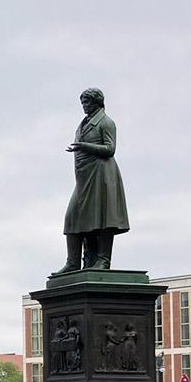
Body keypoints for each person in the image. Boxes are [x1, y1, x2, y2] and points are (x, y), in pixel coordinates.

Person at [56, 88, 129, 272]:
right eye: (82, 103)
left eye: (87, 102)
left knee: (103, 217)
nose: (84, 106)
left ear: (97, 102)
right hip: (84, 178)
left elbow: (110, 149)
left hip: (102, 175)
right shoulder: (83, 124)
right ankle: (73, 262)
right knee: (72, 217)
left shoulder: (106, 122)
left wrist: (84, 146)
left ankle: (103, 260)